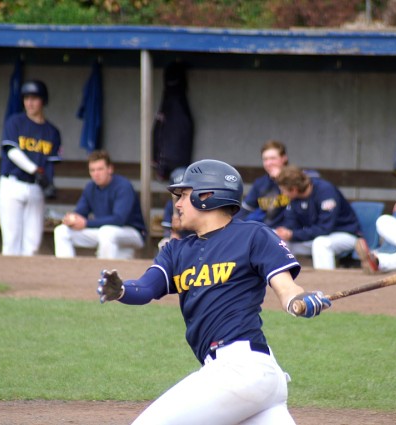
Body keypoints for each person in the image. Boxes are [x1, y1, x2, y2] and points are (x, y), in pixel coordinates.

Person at [96, 159, 331, 424]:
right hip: (249, 379)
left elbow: (286, 288)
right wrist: (122, 290)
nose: (177, 204)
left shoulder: (253, 235)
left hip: (241, 369)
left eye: (184, 195)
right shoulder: (175, 251)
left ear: (207, 196)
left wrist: (298, 299)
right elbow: (146, 288)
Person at [0, 80, 61, 256]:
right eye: (26, 98)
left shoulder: (52, 131)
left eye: (34, 98)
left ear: (43, 101)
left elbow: (50, 163)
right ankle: (9, 274)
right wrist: (35, 170)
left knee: (32, 244)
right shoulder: (15, 122)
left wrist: (49, 183)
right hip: (12, 185)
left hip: (36, 188)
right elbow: (12, 152)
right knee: (11, 242)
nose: (30, 103)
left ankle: (27, 275)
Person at [53, 150, 146, 259]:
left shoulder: (123, 186)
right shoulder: (90, 187)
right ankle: (67, 268)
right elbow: (81, 212)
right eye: (92, 170)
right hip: (103, 231)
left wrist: (86, 223)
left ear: (110, 169)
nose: (96, 174)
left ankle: (103, 269)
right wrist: (72, 219)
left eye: (100, 169)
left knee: (106, 232)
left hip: (132, 233)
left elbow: (119, 219)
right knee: (61, 231)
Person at [274, 165, 362, 270]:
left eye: (283, 190)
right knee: (281, 243)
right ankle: (285, 279)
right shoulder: (294, 198)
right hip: (315, 236)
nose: (282, 193)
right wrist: (285, 232)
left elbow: (324, 229)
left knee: (321, 244)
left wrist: (293, 234)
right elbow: (291, 223)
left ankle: (325, 279)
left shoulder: (325, 191)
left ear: (294, 189)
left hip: (345, 234)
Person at [235, 140, 291, 228]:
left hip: (293, 232)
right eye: (265, 159)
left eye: (273, 158)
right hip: (269, 230)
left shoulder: (297, 178)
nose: (269, 163)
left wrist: (281, 179)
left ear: (284, 158)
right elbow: (245, 210)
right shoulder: (261, 183)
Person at [157, 166, 192, 251]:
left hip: (195, 240)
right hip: (179, 240)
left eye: (185, 193)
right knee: (164, 244)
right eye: (178, 193)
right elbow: (167, 232)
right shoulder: (171, 205)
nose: (179, 203)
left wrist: (183, 225)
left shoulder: (196, 203)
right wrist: (174, 231)